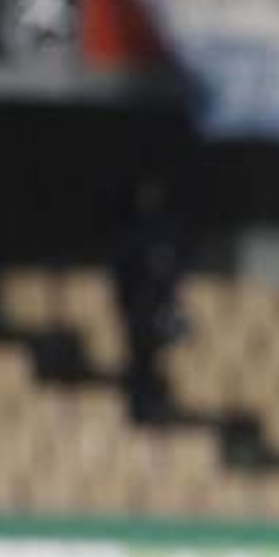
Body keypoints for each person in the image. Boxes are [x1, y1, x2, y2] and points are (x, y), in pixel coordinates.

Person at [110, 174, 189, 424]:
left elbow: (176, 269)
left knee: (164, 354)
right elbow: (122, 271)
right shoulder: (132, 233)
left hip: (161, 306)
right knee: (141, 358)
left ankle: (159, 403)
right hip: (140, 309)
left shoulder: (170, 229)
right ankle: (142, 407)